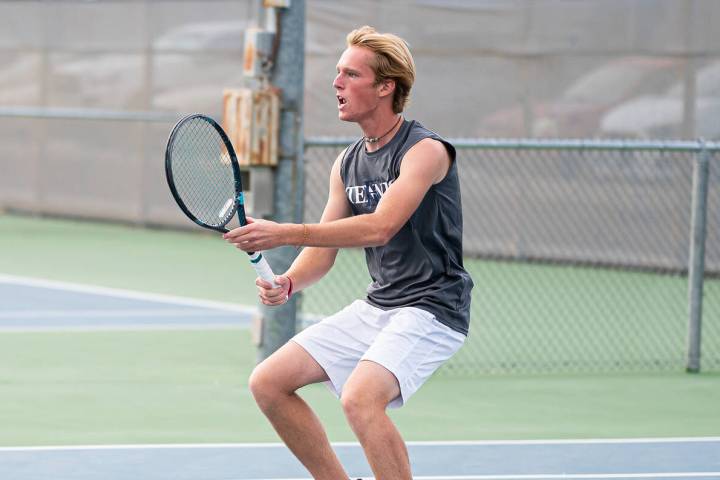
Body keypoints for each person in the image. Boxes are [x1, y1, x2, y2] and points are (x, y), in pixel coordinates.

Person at [223, 25, 473, 480]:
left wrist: (285, 233)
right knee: (269, 382)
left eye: (350, 75)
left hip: (433, 308)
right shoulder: (348, 162)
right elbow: (329, 245)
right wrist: (290, 281)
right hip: (382, 303)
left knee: (359, 398)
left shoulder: (425, 151)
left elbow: (380, 228)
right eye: (337, 73)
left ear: (385, 86)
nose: (336, 84)